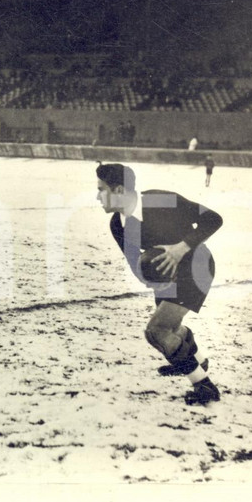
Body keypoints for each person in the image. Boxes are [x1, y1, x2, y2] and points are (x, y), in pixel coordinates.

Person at [96, 162, 223, 406]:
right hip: (166, 274)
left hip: (197, 266)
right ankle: (198, 361)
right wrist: (150, 276)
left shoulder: (160, 200)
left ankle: (204, 386)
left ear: (119, 190)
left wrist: (180, 248)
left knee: (157, 331)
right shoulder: (117, 224)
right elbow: (135, 262)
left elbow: (214, 220)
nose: (97, 196)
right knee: (170, 330)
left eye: (102, 189)